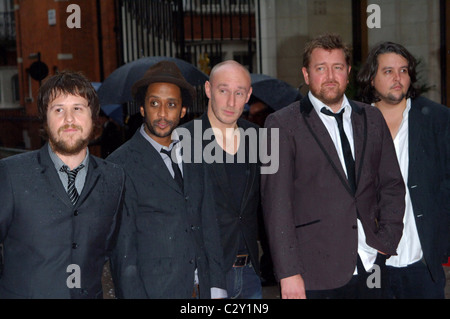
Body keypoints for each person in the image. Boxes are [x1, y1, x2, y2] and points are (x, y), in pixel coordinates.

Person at [261, 34, 406, 299]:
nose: (330, 76)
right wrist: (288, 273)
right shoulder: (280, 124)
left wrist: (388, 238)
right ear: (306, 75)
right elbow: (276, 206)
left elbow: (392, 184)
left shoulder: (371, 117)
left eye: (337, 67)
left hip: (370, 262)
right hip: (313, 272)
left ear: (348, 72)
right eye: (320, 68)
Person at [0, 71, 125, 298]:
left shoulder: (114, 178)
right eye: (58, 110)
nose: (69, 119)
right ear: (45, 119)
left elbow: (108, 248)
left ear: (93, 117)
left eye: (77, 108)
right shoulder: (11, 174)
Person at [107, 61, 226, 299]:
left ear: (182, 111)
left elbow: (209, 224)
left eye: (171, 104)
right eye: (154, 104)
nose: (162, 113)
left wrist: (217, 288)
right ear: (142, 108)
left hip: (201, 290)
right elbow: (123, 252)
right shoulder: (120, 165)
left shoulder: (197, 155)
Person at [357, 41, 450, 299]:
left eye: (404, 71)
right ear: (371, 79)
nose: (397, 78)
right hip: (371, 264)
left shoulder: (438, 120)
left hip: (422, 263)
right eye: (388, 71)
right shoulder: (355, 124)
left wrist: (440, 240)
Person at [182, 60, 263, 299]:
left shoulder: (258, 137)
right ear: (208, 90)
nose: (231, 102)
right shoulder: (184, 138)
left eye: (239, 93)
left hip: (250, 274)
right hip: (204, 276)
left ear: (248, 95)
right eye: (223, 90)